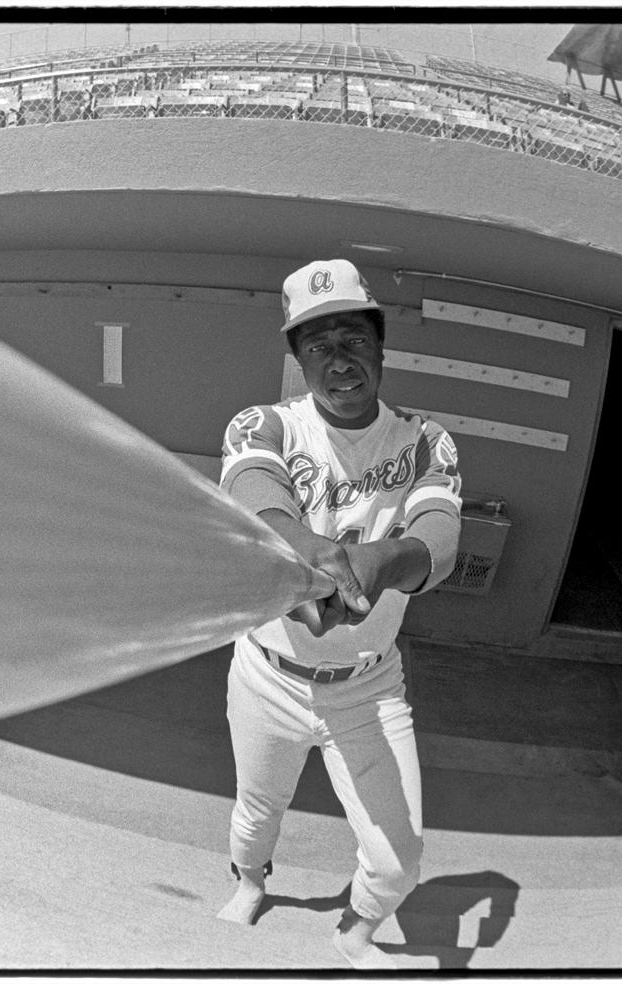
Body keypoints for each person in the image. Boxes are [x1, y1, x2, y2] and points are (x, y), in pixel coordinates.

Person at [215, 258, 462, 969]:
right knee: (256, 815)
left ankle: (353, 933)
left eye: (352, 338)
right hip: (269, 675)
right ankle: (253, 885)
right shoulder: (264, 423)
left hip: (368, 687)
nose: (338, 359)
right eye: (317, 344)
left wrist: (372, 567)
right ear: (297, 357)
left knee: (398, 858)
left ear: (381, 346)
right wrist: (308, 553)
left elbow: (439, 541)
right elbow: (250, 484)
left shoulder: (424, 440)